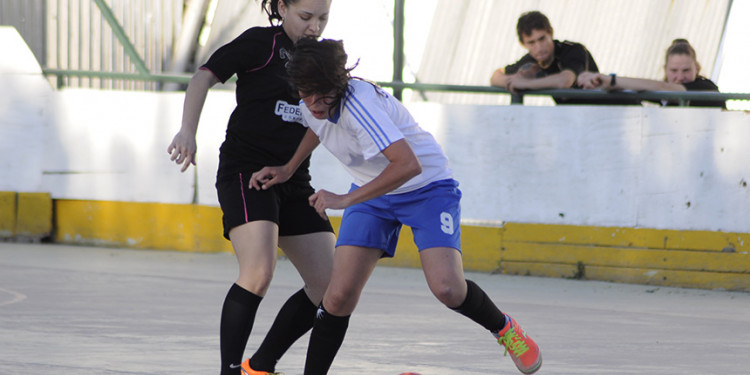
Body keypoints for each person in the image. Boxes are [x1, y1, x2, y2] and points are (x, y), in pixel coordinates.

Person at [250, 38, 543, 375]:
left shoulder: (359, 105)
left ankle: (505, 329)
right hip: (372, 193)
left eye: (321, 94)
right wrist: (288, 167)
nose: (313, 103)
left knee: (448, 288)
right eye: (305, 93)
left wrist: (344, 200)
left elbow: (408, 165)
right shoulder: (311, 103)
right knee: (338, 295)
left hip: (426, 188)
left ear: (338, 83)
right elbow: (318, 126)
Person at [166, 1, 335, 375]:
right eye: (305, 17)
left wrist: (291, 169)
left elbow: (322, 122)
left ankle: (259, 366)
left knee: (330, 286)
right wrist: (187, 131)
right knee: (259, 272)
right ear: (281, 7)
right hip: (247, 173)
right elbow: (203, 77)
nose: (314, 27)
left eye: (322, 18)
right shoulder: (262, 43)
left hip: (292, 178)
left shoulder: (322, 58)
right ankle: (229, 370)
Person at [489, 10, 608, 105]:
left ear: (550, 32)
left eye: (542, 39)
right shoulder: (531, 59)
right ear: (523, 44)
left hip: (606, 113)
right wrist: (512, 80)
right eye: (531, 42)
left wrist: (525, 83)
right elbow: (496, 75)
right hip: (573, 119)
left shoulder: (573, 50)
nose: (539, 47)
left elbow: (564, 80)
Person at [577, 38, 726, 108]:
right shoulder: (662, 93)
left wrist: (611, 80)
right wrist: (600, 85)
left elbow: (664, 89)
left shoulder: (706, 88)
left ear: (697, 68)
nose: (680, 77)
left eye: (686, 70)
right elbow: (640, 88)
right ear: (665, 69)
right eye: (674, 71)